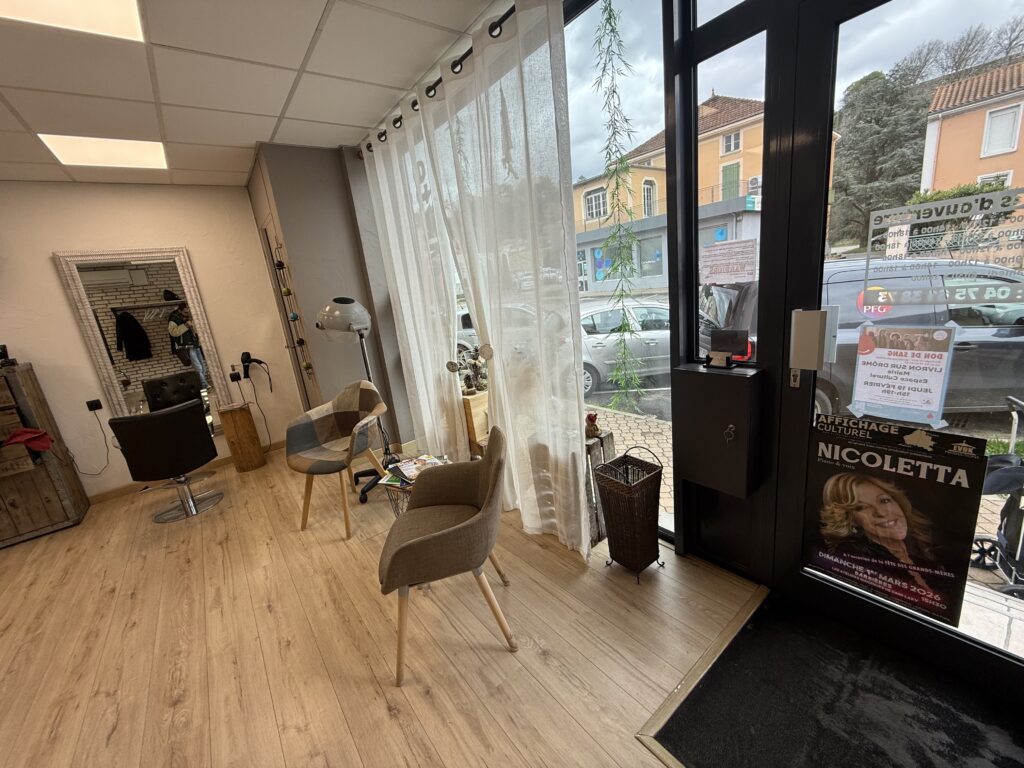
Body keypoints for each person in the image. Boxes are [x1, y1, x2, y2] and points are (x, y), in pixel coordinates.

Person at [818, 472, 955, 608]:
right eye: (861, 507)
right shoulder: (853, 556)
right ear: (850, 519)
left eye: (884, 501)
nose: (882, 513)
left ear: (898, 502)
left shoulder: (923, 545)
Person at [165, 292, 209, 389]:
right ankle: (204, 386)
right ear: (180, 311)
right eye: (185, 312)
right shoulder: (174, 319)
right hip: (187, 347)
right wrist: (185, 325)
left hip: (195, 344)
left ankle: (203, 385)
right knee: (198, 368)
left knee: (203, 367)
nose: (187, 313)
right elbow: (173, 332)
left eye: (188, 311)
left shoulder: (188, 317)